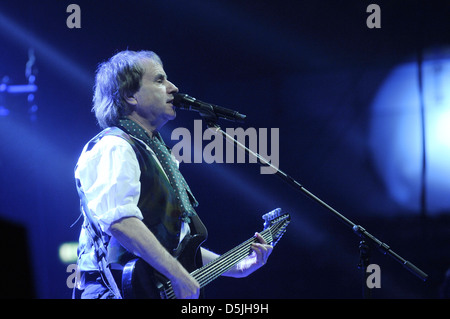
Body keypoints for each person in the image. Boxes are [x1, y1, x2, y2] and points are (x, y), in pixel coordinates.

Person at [73, 50, 273, 299]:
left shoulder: (157, 153)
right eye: (159, 80)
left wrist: (237, 267)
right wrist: (177, 274)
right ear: (129, 95)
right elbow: (121, 222)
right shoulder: (115, 146)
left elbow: (176, 247)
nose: (173, 87)